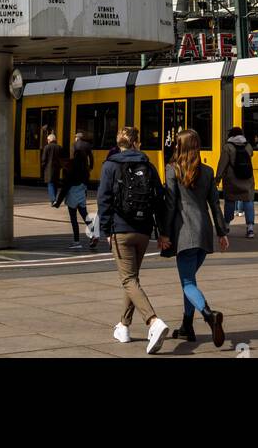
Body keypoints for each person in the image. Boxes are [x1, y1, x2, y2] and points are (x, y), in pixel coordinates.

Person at [96, 125, 170, 353]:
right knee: (132, 279)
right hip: (144, 231)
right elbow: (160, 201)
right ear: (137, 142)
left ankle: (153, 322)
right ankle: (124, 327)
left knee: (128, 280)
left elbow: (103, 200)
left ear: (119, 143)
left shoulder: (110, 166)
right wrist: (163, 233)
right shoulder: (148, 166)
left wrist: (106, 231)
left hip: (121, 230)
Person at [164, 128, 229, 347]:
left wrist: (163, 233)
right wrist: (221, 233)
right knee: (190, 280)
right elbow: (214, 205)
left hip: (184, 234)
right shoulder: (208, 172)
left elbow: (171, 205)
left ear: (179, 147)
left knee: (188, 282)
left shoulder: (172, 170)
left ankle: (209, 314)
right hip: (204, 234)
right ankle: (186, 326)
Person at [215, 125, 256, 239]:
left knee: (230, 201)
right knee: (248, 201)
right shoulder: (248, 146)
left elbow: (222, 164)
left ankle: (227, 225)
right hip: (247, 179)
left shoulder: (227, 147)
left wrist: (217, 178)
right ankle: (250, 228)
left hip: (231, 179)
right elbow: (251, 155)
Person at [61, 137, 97, 250]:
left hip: (72, 195)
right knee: (85, 215)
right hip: (81, 193)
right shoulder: (85, 170)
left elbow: (66, 183)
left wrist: (58, 200)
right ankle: (94, 233)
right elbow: (91, 157)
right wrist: (91, 166)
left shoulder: (71, 165)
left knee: (73, 218)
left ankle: (76, 241)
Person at [40, 132, 62, 203]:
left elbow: (44, 159)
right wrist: (60, 167)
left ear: (49, 140)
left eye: (47, 140)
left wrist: (43, 166)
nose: (47, 141)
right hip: (57, 169)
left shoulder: (46, 147)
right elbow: (62, 159)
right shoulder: (59, 147)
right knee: (55, 184)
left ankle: (53, 199)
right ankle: (53, 200)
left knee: (50, 184)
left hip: (48, 169)